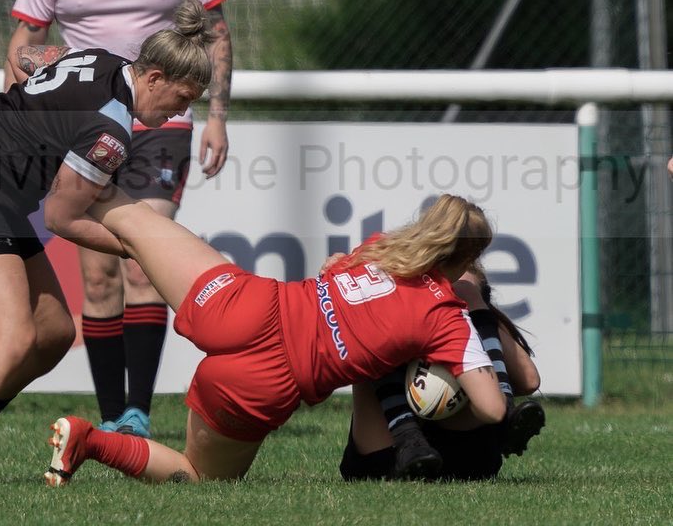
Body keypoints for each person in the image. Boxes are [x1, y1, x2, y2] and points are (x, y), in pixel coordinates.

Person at [0, 0, 215, 487]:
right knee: (12, 337)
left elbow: (23, 56)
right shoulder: (112, 128)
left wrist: (29, 116)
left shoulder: (99, 59)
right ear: (153, 79)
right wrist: (140, 248)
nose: (182, 111)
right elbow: (62, 217)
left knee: (55, 331)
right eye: (182, 98)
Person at [4, 0, 234, 446]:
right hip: (83, 126)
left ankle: (139, 412)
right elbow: (23, 46)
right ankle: (112, 417)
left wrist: (217, 114)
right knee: (99, 273)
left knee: (141, 260)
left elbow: (215, 32)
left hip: (164, 126)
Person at [43, 192, 509, 485]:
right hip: (265, 379)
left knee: (133, 221)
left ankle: (54, 162)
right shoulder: (447, 317)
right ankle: (89, 440)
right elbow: (492, 408)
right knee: (197, 475)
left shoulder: (381, 247)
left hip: (249, 305)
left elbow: (339, 273)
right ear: (469, 259)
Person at [339, 264, 546, 481]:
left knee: (472, 380)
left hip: (468, 457)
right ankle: (407, 436)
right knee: (372, 322)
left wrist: (474, 304)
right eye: (441, 289)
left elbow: (530, 380)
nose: (446, 300)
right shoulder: (409, 312)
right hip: (385, 453)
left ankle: (505, 416)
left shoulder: (480, 321)